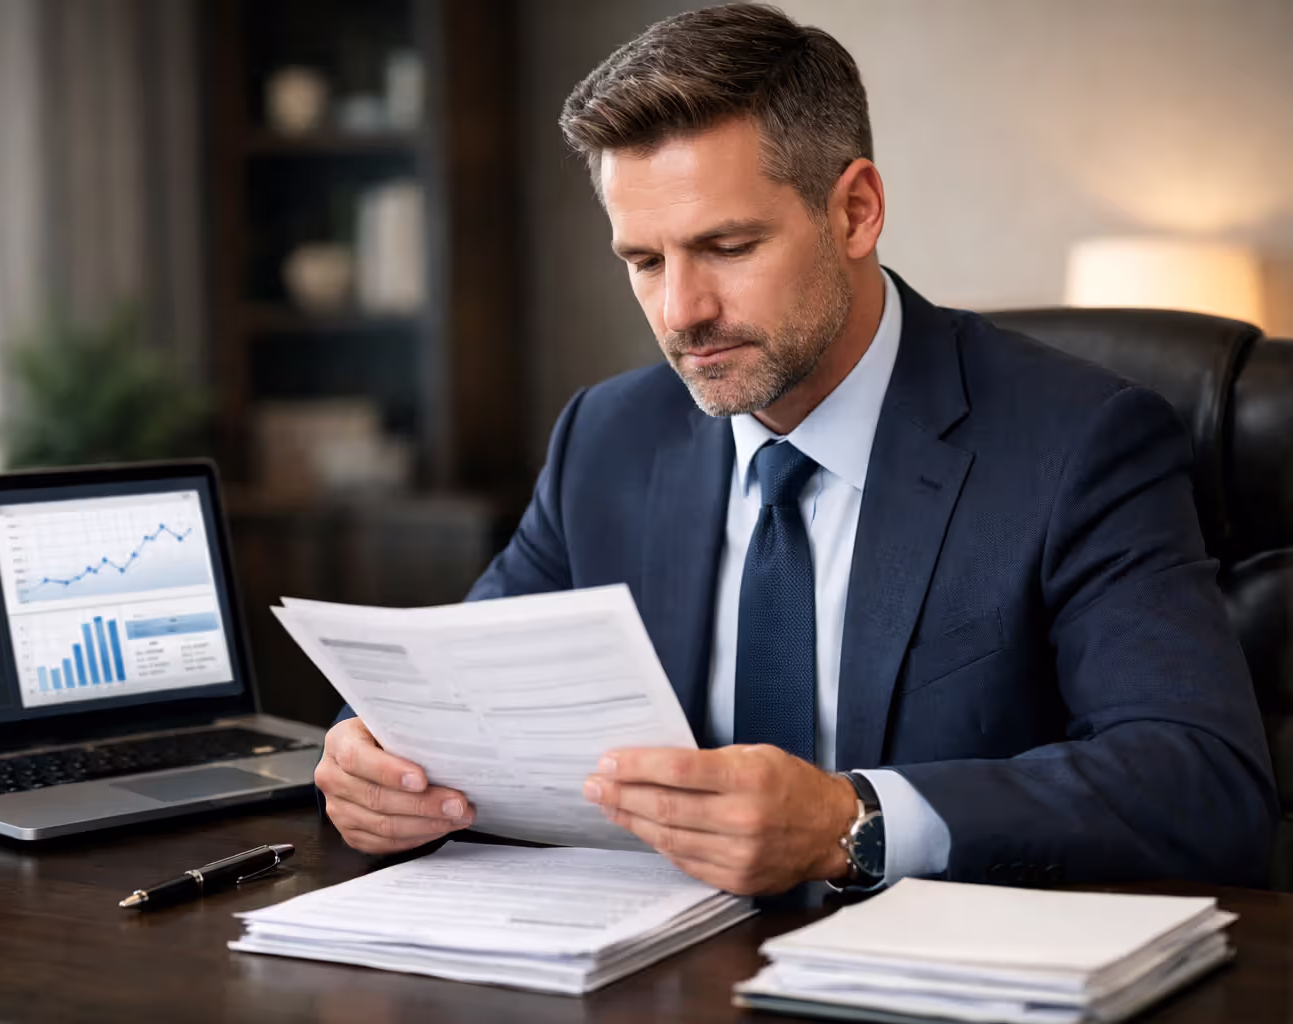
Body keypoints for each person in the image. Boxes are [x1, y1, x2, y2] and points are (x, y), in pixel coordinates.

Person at [312, 3, 1276, 895]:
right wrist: (382, 764)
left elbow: (1200, 781)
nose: (681, 311)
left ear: (855, 210)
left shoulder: (1080, 440)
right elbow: (457, 704)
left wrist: (847, 821)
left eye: (728, 247)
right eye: (644, 262)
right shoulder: (606, 438)